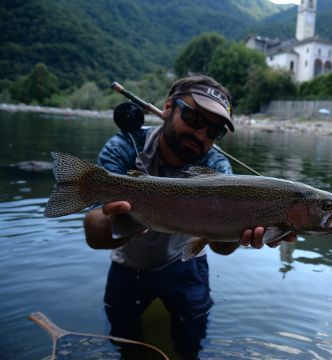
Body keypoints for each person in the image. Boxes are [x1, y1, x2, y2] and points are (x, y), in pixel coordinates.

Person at [83, 75, 295, 359]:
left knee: (190, 344)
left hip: (185, 262)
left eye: (214, 130)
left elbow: (221, 247)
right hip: (129, 262)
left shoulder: (216, 166)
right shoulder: (125, 147)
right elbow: (93, 234)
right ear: (169, 107)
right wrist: (115, 221)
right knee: (125, 344)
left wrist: (238, 233)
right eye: (194, 118)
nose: (201, 134)